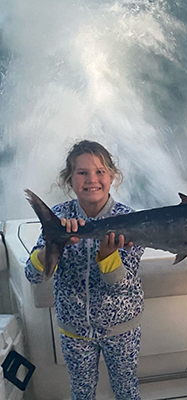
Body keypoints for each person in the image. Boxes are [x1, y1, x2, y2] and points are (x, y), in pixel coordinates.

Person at [25, 140, 144, 400]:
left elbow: (121, 285)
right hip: (74, 330)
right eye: (82, 173)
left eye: (100, 172)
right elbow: (33, 275)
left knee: (127, 390)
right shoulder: (58, 216)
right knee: (81, 392)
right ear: (69, 180)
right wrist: (55, 243)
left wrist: (107, 255)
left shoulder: (130, 219)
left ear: (112, 177)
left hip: (121, 328)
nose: (92, 179)